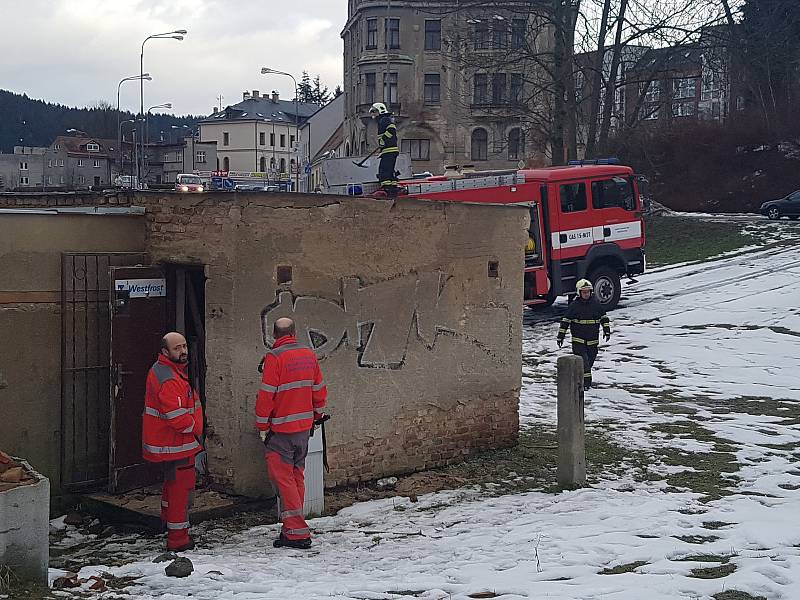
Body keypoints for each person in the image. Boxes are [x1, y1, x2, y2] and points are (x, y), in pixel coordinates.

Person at [256, 317, 328, 549]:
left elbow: (266, 396)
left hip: (281, 431)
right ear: (294, 333)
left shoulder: (274, 358)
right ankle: (292, 528)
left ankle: (297, 532)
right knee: (297, 477)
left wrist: (262, 426)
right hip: (303, 430)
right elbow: (318, 389)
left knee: (284, 479)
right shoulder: (309, 354)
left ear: (274, 335)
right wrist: (316, 416)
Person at [142, 332, 204, 551]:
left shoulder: (167, 372)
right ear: (165, 352)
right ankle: (178, 539)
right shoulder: (168, 378)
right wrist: (196, 429)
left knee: (172, 486)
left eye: (185, 346)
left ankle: (167, 523)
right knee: (180, 489)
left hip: (171, 443)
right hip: (177, 444)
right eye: (177, 348)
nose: (184, 351)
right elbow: (177, 417)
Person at [556, 280, 611, 390]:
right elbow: (565, 321)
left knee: (589, 363)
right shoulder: (574, 306)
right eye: (584, 292)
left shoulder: (596, 304)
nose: (586, 294)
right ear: (579, 292)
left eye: (588, 292)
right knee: (584, 362)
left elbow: (603, 317)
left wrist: (607, 330)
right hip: (578, 341)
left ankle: (578, 378)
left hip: (592, 341)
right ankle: (586, 385)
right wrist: (560, 336)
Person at [369, 102, 400, 196]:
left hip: (389, 150)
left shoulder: (384, 120)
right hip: (389, 150)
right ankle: (392, 186)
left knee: (384, 169)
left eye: (374, 112)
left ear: (380, 111)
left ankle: (387, 187)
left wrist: (383, 140)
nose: (373, 114)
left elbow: (392, 129)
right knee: (389, 169)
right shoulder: (383, 120)